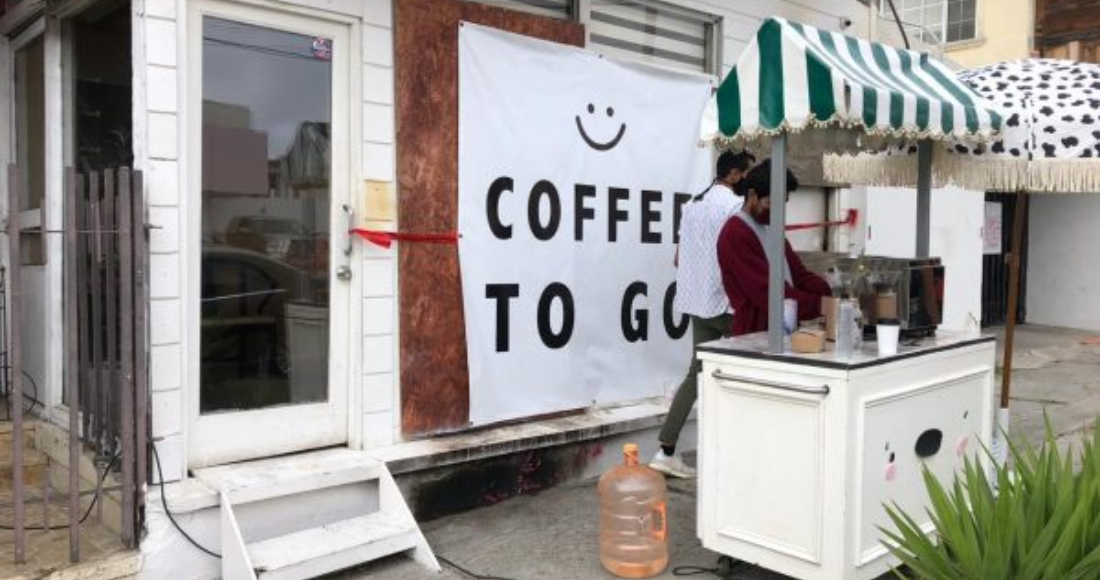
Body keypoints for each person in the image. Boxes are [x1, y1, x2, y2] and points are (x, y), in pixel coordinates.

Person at [649, 150, 755, 479]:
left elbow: (678, 259)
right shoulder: (735, 206)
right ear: (734, 175)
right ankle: (737, 455)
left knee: (695, 374)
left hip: (698, 303)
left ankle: (666, 450)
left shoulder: (693, 205)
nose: (749, 181)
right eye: (746, 175)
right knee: (744, 373)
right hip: (728, 302)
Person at [717, 160, 831, 337]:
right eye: (771, 203)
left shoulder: (772, 227)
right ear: (752, 195)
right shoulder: (735, 233)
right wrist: (823, 306)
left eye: (782, 204)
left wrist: (832, 292)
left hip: (785, 327)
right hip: (752, 333)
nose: (777, 211)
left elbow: (799, 275)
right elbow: (768, 294)